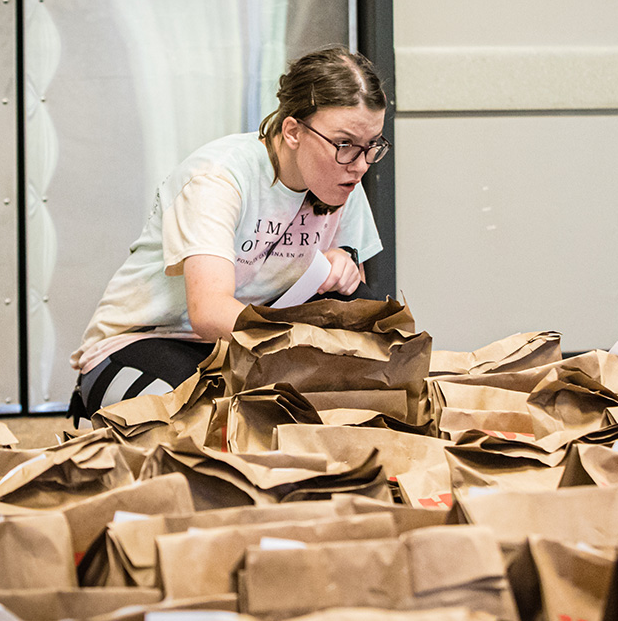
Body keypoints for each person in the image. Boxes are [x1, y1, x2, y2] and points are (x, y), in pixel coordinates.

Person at [68, 46, 389, 419]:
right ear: (292, 132)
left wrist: (343, 267)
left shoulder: (343, 176)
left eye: (372, 146)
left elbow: (353, 305)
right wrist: (303, 343)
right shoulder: (219, 177)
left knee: (369, 375)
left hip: (249, 347)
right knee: (200, 422)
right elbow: (208, 311)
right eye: (344, 144)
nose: (361, 164)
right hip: (150, 340)